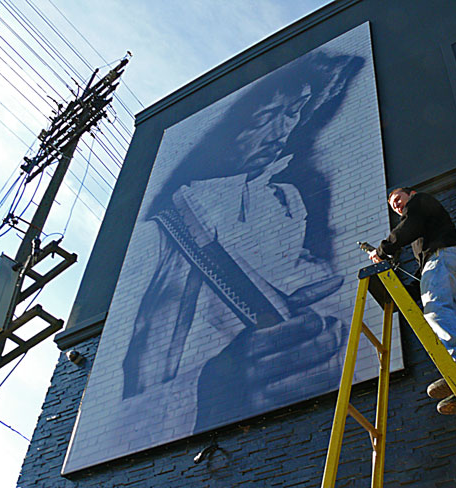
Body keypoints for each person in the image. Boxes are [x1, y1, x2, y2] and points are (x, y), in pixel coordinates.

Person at [121, 51, 364, 433]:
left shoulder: (285, 201)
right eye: (266, 117)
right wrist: (214, 391)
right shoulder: (164, 232)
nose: (282, 130)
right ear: (225, 133)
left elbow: (300, 279)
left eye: (295, 111)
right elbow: (140, 382)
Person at [368, 187, 456, 415]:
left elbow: (408, 227)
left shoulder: (419, 203)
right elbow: (425, 272)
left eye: (399, 199)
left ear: (412, 194)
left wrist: (383, 250)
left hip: (445, 257)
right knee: (453, 318)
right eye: (393, 206)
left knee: (436, 311)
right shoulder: (427, 230)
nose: (397, 205)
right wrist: (406, 292)